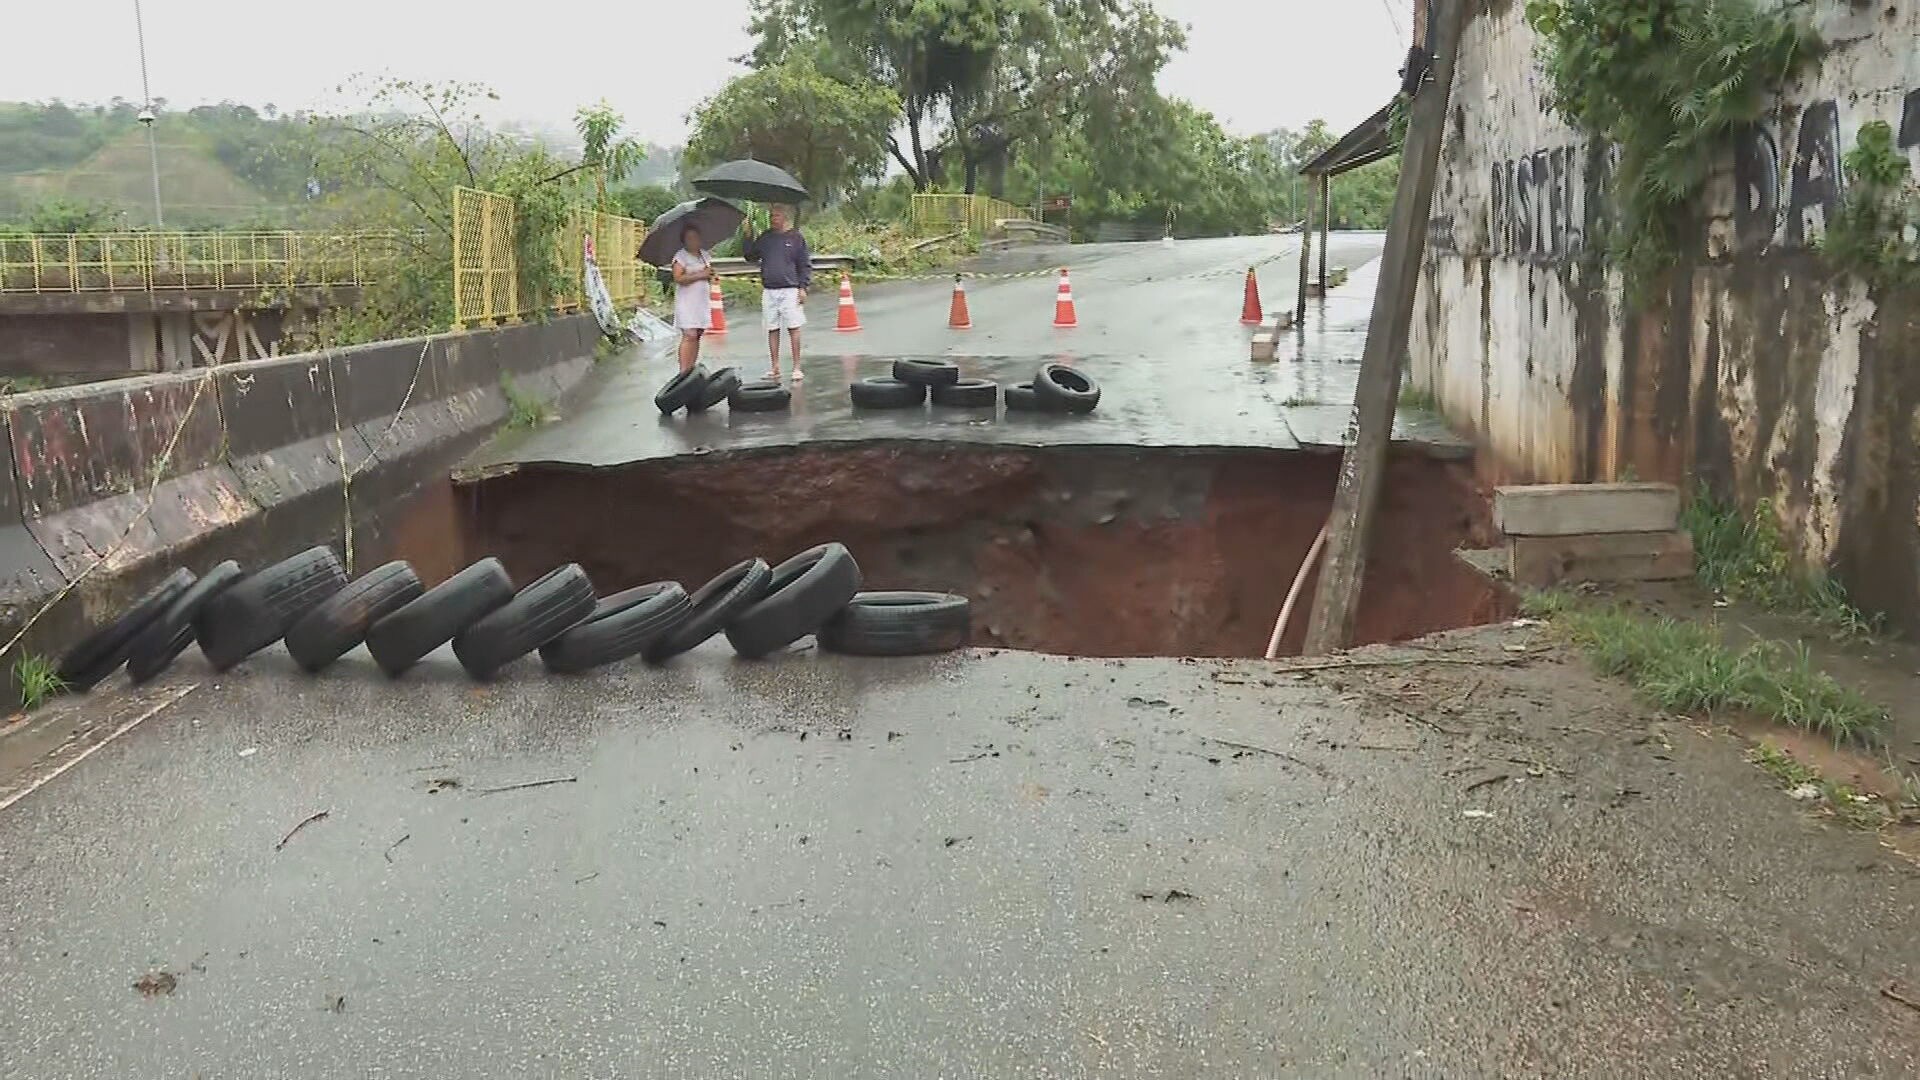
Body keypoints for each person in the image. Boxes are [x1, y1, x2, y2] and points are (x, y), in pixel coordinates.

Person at [742, 204, 812, 382]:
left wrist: (803, 287)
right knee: (772, 328)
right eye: (771, 216)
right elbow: (750, 256)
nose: (773, 219)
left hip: (790, 289)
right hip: (769, 290)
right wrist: (748, 236)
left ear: (785, 217)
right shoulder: (766, 237)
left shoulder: (796, 238)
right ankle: (775, 367)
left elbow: (804, 264)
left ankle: (796, 367)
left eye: (777, 216)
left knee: (793, 327)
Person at [670, 223, 713, 375]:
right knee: (689, 334)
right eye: (689, 238)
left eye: (695, 237)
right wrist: (701, 275)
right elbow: (678, 277)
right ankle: (683, 371)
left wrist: (710, 276)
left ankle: (691, 369)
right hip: (687, 301)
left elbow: (709, 274)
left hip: (701, 301)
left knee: (698, 333)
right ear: (684, 240)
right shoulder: (680, 256)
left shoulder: (704, 255)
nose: (693, 240)